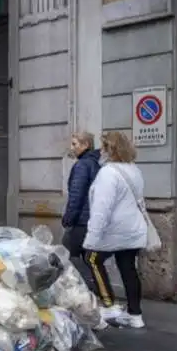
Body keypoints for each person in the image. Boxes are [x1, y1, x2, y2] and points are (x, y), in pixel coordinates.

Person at [82, 131, 148, 329]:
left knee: (92, 258)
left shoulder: (108, 173)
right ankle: (135, 315)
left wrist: (92, 239)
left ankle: (109, 304)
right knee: (128, 268)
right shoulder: (134, 170)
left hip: (114, 230)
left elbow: (102, 208)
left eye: (103, 148)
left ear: (110, 150)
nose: (100, 151)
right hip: (133, 229)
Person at [61, 131, 102, 264]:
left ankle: (82, 284)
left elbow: (76, 196)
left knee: (68, 258)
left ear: (86, 145)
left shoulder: (82, 165)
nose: (71, 148)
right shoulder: (95, 164)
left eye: (75, 144)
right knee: (88, 260)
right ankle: (91, 283)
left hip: (80, 221)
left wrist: (68, 219)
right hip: (91, 220)